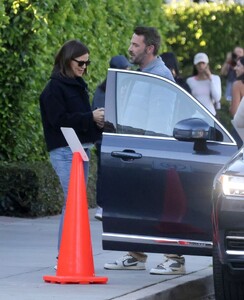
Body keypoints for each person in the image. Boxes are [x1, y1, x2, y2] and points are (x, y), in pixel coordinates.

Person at [104, 26, 187, 276]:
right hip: (137, 150)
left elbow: (161, 121)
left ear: (149, 48)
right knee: (138, 205)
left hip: (151, 153)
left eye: (135, 45)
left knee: (160, 206)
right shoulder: (143, 73)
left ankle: (175, 259)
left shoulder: (159, 75)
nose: (130, 48)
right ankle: (136, 255)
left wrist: (149, 154)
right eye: (131, 44)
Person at [39, 39, 104, 267]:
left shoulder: (77, 84)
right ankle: (64, 256)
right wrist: (91, 117)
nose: (84, 67)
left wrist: (96, 120)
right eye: (81, 63)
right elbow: (59, 121)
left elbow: (80, 118)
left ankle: (68, 255)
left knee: (76, 203)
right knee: (72, 203)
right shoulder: (54, 88)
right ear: (68, 60)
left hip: (80, 149)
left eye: (87, 63)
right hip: (65, 150)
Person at [92, 55, 132, 221]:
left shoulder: (127, 87)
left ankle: (114, 204)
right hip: (106, 138)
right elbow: (100, 113)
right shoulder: (103, 91)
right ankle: (101, 205)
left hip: (121, 136)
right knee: (104, 172)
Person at [186, 52, 221, 116]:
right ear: (195, 65)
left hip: (210, 114)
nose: (201, 66)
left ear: (207, 64)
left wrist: (210, 78)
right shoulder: (190, 81)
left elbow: (217, 98)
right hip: (195, 114)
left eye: (203, 63)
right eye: (199, 64)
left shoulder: (215, 78)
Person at [230, 56, 244, 148]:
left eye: (238, 65)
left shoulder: (237, 85)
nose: (235, 68)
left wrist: (230, 108)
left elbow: (235, 112)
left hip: (240, 132)